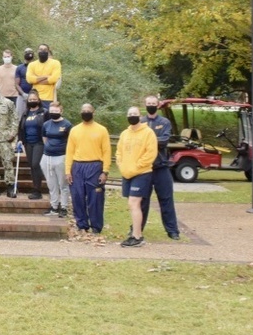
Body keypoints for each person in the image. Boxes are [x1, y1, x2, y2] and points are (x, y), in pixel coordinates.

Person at [66, 103, 112, 234]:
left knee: (95, 198)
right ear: (80, 112)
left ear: (93, 112)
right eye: (83, 110)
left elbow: (107, 151)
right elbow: (69, 151)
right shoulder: (75, 130)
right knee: (77, 196)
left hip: (95, 166)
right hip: (77, 166)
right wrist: (67, 171)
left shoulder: (102, 130)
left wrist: (105, 171)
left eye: (88, 110)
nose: (86, 112)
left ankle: (96, 226)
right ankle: (82, 224)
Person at [117, 105, 158, 248]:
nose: (132, 115)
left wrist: (136, 167)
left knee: (134, 203)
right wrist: (122, 166)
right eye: (129, 113)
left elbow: (150, 154)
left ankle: (137, 236)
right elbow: (119, 153)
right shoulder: (124, 134)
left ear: (140, 117)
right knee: (133, 204)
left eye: (135, 113)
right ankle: (136, 233)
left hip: (142, 173)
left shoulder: (148, 133)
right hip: (127, 173)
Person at [139, 95, 180, 239]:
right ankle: (137, 229)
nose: (151, 105)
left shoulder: (164, 122)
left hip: (161, 167)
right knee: (142, 201)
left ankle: (172, 230)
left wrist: (146, 140)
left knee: (166, 199)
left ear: (158, 105)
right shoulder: (140, 122)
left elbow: (164, 141)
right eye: (148, 103)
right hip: (145, 169)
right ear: (145, 105)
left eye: (153, 103)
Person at [40, 100, 72, 217]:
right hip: (47, 157)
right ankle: (54, 206)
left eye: (56, 111)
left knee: (63, 184)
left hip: (61, 157)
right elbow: (44, 138)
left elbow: (71, 141)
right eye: (51, 111)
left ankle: (63, 207)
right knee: (51, 184)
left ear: (61, 111)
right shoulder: (46, 124)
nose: (54, 113)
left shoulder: (67, 125)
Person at [18, 91, 47, 200]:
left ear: (38, 100)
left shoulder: (44, 112)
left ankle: (38, 189)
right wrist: (20, 140)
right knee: (32, 166)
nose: (32, 101)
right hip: (28, 143)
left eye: (34, 99)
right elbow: (21, 128)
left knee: (36, 164)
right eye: (30, 100)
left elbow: (48, 126)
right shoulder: (25, 113)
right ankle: (35, 188)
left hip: (39, 142)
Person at [25, 43, 61, 111]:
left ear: (48, 51)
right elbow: (29, 79)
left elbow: (55, 78)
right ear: (37, 51)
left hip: (49, 98)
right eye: (41, 49)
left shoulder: (55, 63)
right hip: (35, 99)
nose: (43, 51)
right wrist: (47, 76)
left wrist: (36, 80)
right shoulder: (32, 65)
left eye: (45, 50)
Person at [15, 47, 35, 118]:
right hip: (21, 96)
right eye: (26, 52)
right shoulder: (19, 68)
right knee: (20, 117)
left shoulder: (36, 66)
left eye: (30, 52)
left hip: (34, 97)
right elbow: (16, 84)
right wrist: (23, 94)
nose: (28, 54)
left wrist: (32, 94)